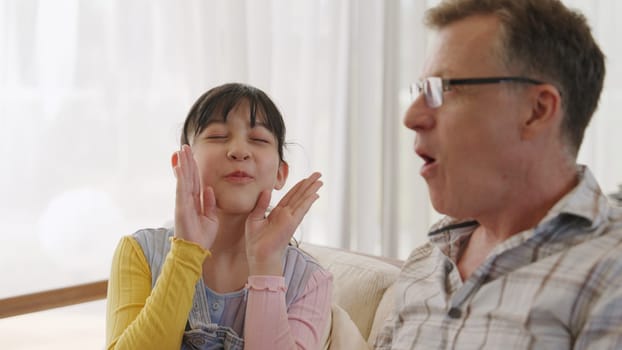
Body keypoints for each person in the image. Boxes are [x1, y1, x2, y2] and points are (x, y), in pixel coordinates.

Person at [375, 0, 622, 349]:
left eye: (444, 88)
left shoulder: (610, 271)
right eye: (421, 91)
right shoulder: (426, 264)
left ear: (536, 110)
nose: (411, 116)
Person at [105, 83, 332, 349]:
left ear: (281, 174)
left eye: (258, 140)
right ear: (182, 164)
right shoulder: (139, 254)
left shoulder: (309, 281)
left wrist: (266, 263)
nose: (239, 150)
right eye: (217, 136)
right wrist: (186, 254)